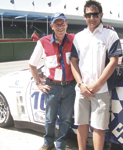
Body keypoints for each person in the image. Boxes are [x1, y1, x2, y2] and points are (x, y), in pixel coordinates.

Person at [70, 0, 123, 150]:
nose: (92, 18)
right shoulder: (79, 37)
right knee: (81, 124)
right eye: (89, 15)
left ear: (101, 15)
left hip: (101, 89)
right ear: (84, 16)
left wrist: (97, 84)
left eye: (95, 14)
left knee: (99, 127)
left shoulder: (110, 34)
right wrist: (81, 84)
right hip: (82, 89)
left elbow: (114, 61)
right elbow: (73, 62)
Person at [29, 12, 76, 150]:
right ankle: (48, 143)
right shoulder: (42, 42)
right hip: (52, 87)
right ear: (52, 26)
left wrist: (106, 27)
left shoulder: (75, 39)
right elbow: (32, 64)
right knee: (49, 119)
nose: (60, 27)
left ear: (66, 24)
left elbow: (91, 34)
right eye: (57, 24)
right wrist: (38, 83)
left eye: (63, 24)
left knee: (66, 120)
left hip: (69, 87)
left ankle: (60, 145)